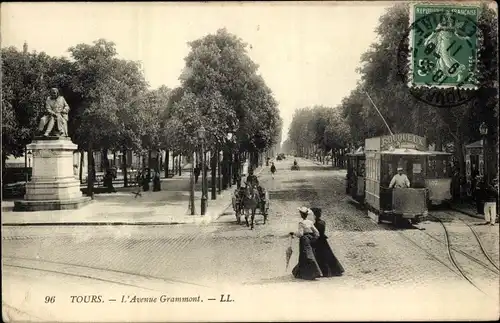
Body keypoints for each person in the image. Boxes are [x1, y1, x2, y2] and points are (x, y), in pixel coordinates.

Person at [290, 207, 322, 280]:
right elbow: (317, 233)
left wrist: (294, 233)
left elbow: (300, 234)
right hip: (310, 239)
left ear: (302, 215)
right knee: (309, 254)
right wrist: (313, 239)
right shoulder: (310, 222)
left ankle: (309, 273)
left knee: (305, 255)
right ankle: (308, 273)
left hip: (304, 239)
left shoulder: (301, 223)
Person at [310, 207, 344, 277]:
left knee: (319, 256)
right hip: (323, 241)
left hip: (318, 241)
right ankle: (334, 270)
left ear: (315, 215)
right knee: (328, 255)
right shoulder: (323, 222)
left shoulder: (315, 224)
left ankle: (323, 271)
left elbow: (316, 233)